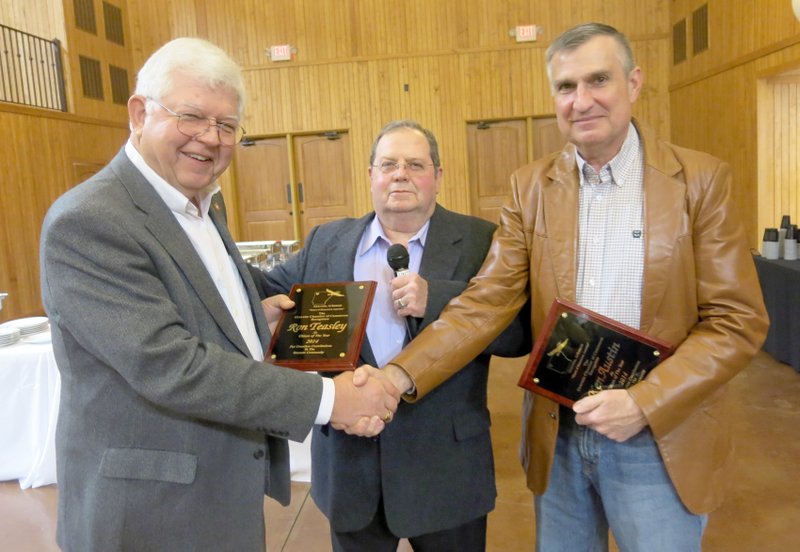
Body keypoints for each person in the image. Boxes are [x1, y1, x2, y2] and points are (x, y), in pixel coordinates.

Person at [377, 23, 769, 552]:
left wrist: (645, 402)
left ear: (633, 83)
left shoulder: (699, 181)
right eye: (565, 86)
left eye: (598, 80)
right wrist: (397, 376)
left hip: (658, 438)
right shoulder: (530, 187)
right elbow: (485, 303)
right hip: (558, 435)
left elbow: (736, 320)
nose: (581, 101)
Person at [39, 37, 399, 552]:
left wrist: (255, 316)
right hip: (148, 513)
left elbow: (200, 304)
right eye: (191, 117)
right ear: (139, 114)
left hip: (219, 494)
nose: (210, 138)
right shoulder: (91, 221)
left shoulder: (203, 205)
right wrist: (329, 399)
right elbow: (171, 365)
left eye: (227, 125)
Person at [254, 120, 529, 551]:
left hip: (446, 471)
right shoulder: (328, 240)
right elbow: (265, 290)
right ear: (371, 177)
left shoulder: (481, 241)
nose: (400, 174)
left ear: (438, 177)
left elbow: (519, 333)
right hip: (350, 470)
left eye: (415, 164)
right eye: (388, 164)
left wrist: (435, 297)